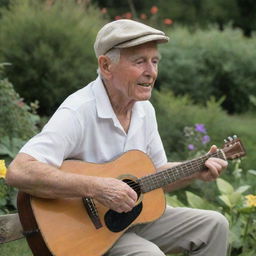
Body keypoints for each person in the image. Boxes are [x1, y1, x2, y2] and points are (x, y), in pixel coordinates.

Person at [6, 19, 229, 256]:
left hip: (135, 219)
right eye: (139, 61)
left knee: (215, 225)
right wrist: (96, 187)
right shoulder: (78, 111)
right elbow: (19, 171)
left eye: (154, 61)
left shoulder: (144, 110)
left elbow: (156, 174)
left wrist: (194, 169)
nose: (151, 72)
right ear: (106, 66)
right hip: (87, 231)